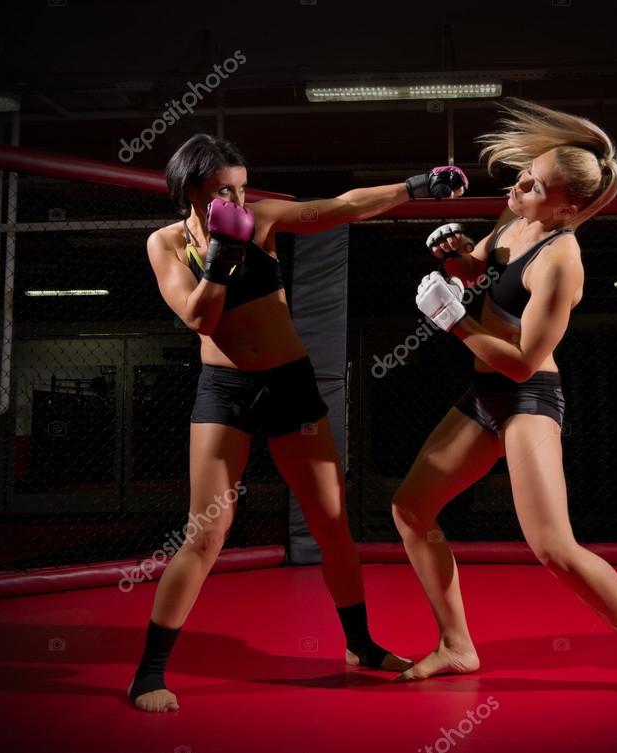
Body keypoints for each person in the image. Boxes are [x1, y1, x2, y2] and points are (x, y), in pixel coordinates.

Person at [131, 132, 468, 712]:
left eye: (241, 187)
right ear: (191, 190)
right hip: (225, 393)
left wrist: (414, 188)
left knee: (332, 521)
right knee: (206, 533)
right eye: (222, 191)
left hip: (290, 386)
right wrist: (219, 259)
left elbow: (337, 208)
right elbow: (201, 319)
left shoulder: (258, 220)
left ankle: (360, 646)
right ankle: (149, 674)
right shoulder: (164, 244)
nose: (237, 200)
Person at [394, 99, 617, 708]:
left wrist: (456, 326)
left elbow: (524, 360)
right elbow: (481, 270)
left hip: (526, 396)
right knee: (411, 510)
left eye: (536, 184)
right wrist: (455, 255)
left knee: (553, 545)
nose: (520, 183)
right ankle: (456, 645)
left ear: (567, 208)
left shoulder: (561, 259)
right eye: (527, 173)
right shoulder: (515, 216)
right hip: (482, 394)